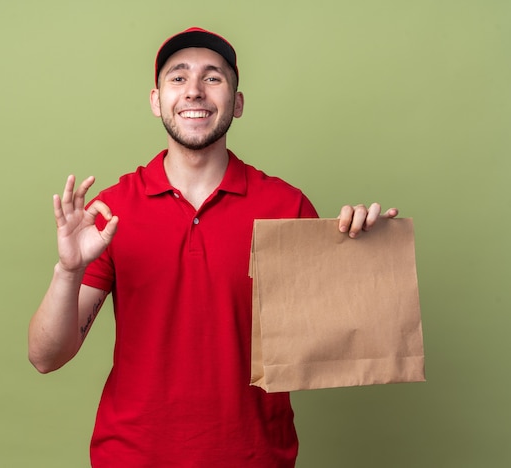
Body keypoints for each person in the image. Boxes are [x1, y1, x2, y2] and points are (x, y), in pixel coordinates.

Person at [28, 27, 398, 467]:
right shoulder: (112, 211)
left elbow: (333, 340)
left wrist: (358, 256)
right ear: (156, 100)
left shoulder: (286, 205)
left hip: (255, 457)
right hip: (131, 457)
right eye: (178, 78)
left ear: (237, 103)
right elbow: (46, 358)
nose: (195, 91)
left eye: (213, 78)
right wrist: (68, 270)